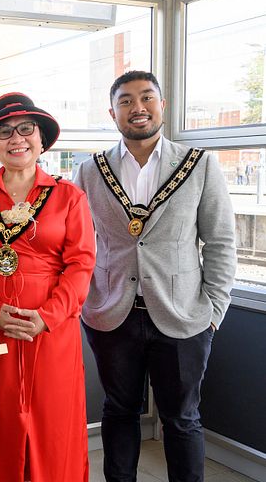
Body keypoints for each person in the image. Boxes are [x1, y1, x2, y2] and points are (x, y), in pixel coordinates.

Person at [74, 70, 236, 482]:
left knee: (182, 419)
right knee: (119, 411)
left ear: (162, 105)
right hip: (112, 316)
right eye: (126, 101)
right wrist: (86, 303)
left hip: (184, 315)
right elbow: (79, 244)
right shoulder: (90, 171)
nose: (138, 107)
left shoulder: (199, 166)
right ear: (113, 112)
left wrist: (215, 310)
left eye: (147, 98)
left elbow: (220, 242)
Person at [0, 93, 96, 481]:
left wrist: (47, 317)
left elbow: (82, 264)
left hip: (52, 331)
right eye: (4, 132)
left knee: (54, 430)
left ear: (41, 140)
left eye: (26, 129)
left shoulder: (69, 196)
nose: (15, 138)